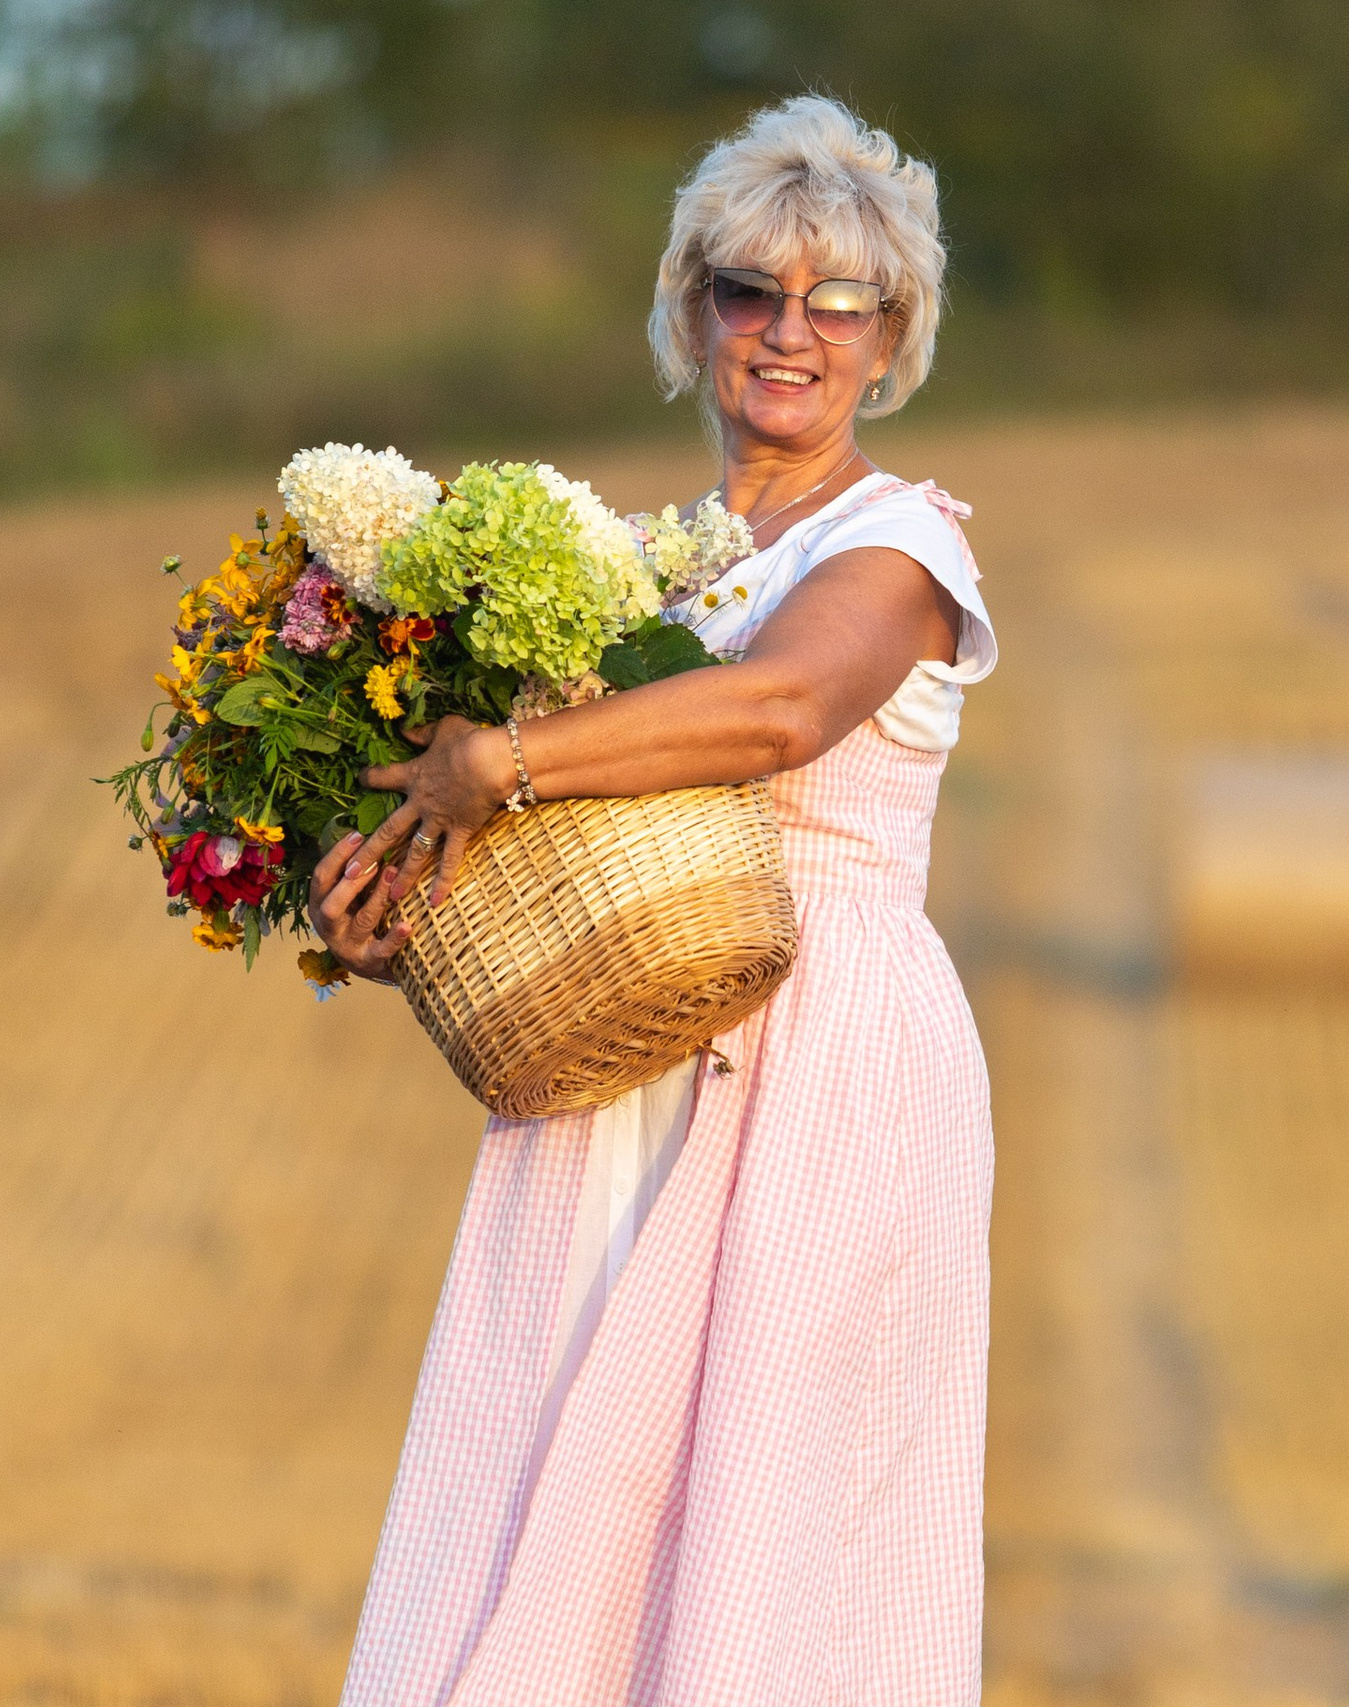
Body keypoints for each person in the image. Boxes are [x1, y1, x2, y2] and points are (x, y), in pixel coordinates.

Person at [307, 95, 996, 1706]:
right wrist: (393, 922)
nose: (790, 332)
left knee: (770, 1535)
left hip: (820, 1063)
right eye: (750, 291)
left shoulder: (903, 546)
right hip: (613, 1056)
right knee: (546, 1484)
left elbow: (780, 711)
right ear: (692, 316)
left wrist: (504, 762)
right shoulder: (640, 563)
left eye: (841, 301)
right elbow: (546, 849)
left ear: (892, 340)